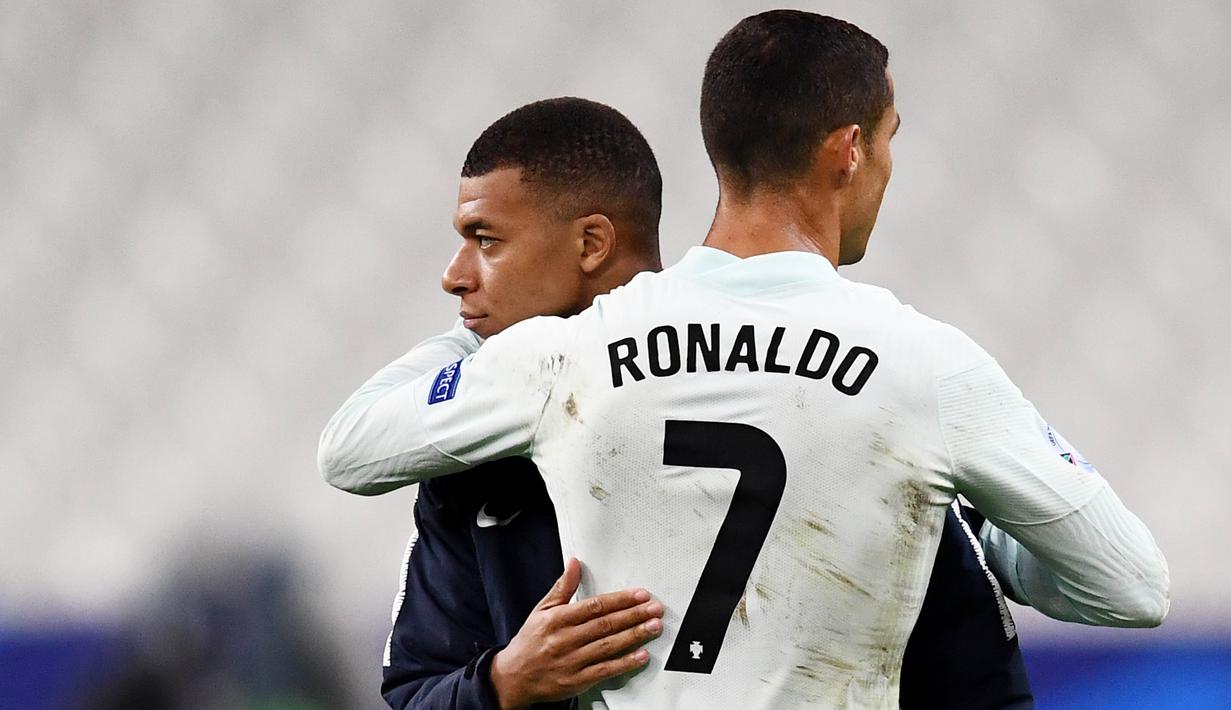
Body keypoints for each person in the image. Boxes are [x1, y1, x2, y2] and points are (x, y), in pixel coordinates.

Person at [322, 12, 1169, 708]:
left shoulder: (565, 355)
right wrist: (989, 531)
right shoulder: (919, 370)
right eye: (888, 140)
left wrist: (482, 336)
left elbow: (353, 451)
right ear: (848, 150)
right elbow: (1129, 587)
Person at [380, 98, 1032, 709]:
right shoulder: (470, 469)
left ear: (590, 244)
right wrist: (503, 681)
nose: (454, 274)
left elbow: (976, 685)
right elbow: (414, 687)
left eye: (486, 239)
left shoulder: (843, 419)